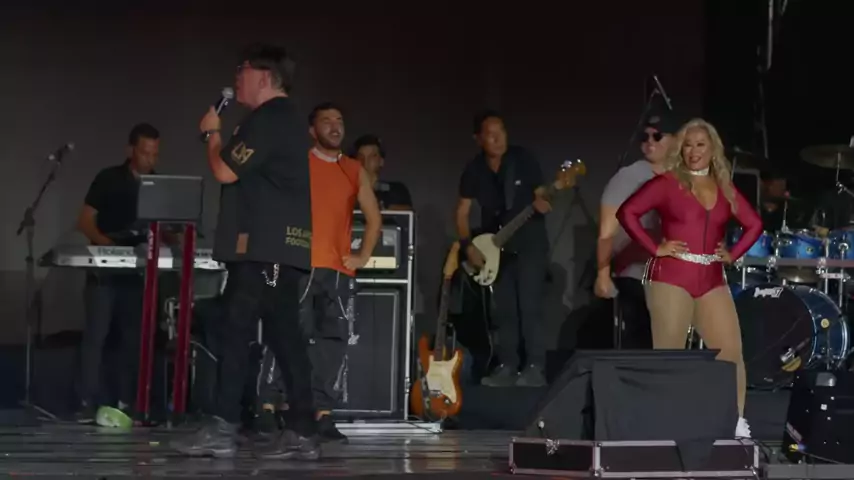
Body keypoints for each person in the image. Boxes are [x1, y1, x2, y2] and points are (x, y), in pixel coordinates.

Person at [170, 43, 318, 460]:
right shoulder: (281, 119)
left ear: (264, 77)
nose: (236, 78)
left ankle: (224, 426)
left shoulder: (270, 118)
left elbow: (223, 169)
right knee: (281, 334)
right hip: (273, 250)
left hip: (265, 251)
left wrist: (211, 133)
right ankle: (301, 429)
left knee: (239, 329)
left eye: (243, 70)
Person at [616, 118, 762, 438]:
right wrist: (655, 247)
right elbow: (627, 213)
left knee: (730, 352)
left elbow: (754, 224)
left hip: (711, 278)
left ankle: (735, 421)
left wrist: (733, 254)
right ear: (680, 150)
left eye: (700, 145)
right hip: (671, 276)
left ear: (713, 149)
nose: (694, 151)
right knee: (670, 354)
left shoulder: (724, 186)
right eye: (688, 145)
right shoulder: (667, 183)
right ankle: (665, 424)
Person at [258, 103, 382, 455]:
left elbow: (374, 217)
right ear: (313, 130)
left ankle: (322, 412)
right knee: (288, 335)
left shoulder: (353, 169)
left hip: (338, 270)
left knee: (333, 341)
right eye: (326, 121)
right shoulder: (299, 162)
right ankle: (267, 407)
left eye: (339, 120)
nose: (334, 126)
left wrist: (362, 256)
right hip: (299, 263)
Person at [72, 123, 160, 422]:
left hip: (137, 272)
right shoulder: (108, 178)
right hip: (105, 269)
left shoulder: (159, 184)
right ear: (130, 150)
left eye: (154, 154)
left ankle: (126, 402)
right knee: (96, 335)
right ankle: (86, 401)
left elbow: (165, 229)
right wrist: (106, 244)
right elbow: (85, 220)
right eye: (145, 153)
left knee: (132, 338)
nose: (150, 159)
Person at [456, 110, 550, 387]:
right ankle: (507, 365)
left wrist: (544, 202)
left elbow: (542, 195)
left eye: (502, 132)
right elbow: (461, 212)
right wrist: (468, 247)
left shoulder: (523, 160)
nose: (498, 139)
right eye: (491, 134)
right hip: (496, 248)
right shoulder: (474, 170)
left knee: (529, 306)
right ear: (478, 139)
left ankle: (535, 367)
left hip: (530, 243)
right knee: (504, 311)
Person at [594, 112, 679, 348]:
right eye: (645, 137)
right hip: (635, 272)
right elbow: (606, 230)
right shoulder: (629, 176)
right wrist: (602, 274)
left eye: (657, 136)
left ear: (675, 140)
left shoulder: (683, 178)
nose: (650, 142)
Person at [352, 134, 413, 210]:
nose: (365, 162)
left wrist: (382, 207)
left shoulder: (395, 190)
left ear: (381, 161)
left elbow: (407, 212)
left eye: (372, 156)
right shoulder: (347, 190)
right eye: (361, 157)